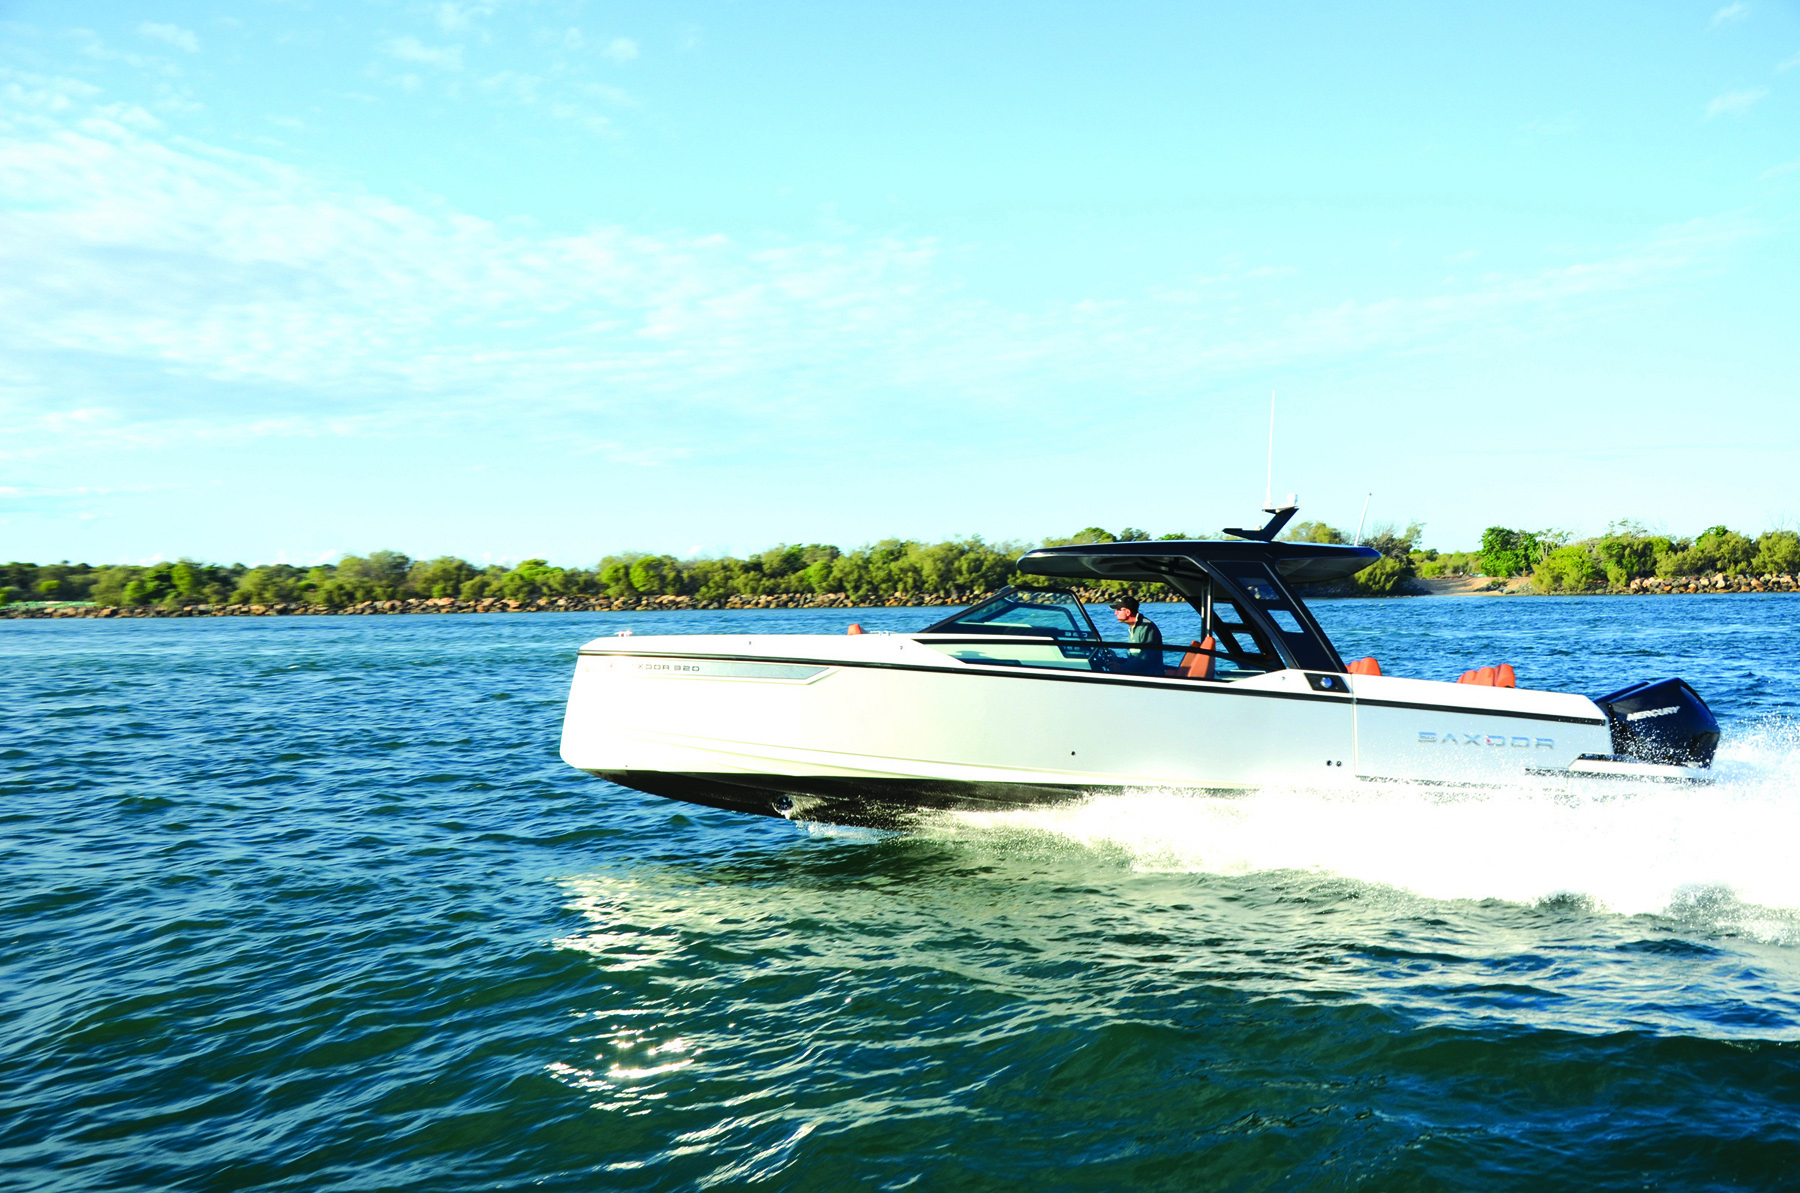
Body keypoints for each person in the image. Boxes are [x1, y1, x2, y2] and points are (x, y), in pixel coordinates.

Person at [1108, 594, 1162, 673]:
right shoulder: (1134, 628)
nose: (1115, 613)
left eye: (1118, 610)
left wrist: (1121, 668)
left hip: (1148, 678)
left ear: (1127, 612)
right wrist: (1117, 660)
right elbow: (1134, 659)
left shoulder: (1147, 627)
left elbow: (1145, 657)